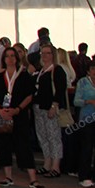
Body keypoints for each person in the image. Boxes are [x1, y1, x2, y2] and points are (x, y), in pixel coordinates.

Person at [0, 47, 41, 188]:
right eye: (7, 56)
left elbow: (30, 96)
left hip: (20, 116)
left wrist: (17, 110)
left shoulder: (24, 76)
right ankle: (8, 176)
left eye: (13, 56)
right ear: (4, 59)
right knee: (4, 145)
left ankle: (33, 179)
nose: (10, 59)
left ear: (17, 58)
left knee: (23, 145)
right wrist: (0, 111)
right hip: (4, 116)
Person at [32, 43, 67, 179]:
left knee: (54, 137)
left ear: (53, 55)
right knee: (43, 136)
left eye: (48, 53)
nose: (45, 56)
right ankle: (47, 163)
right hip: (38, 107)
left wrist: (54, 105)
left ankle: (56, 166)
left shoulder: (57, 70)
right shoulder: (40, 70)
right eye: (43, 53)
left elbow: (60, 90)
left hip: (50, 108)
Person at [73, 61, 95, 188]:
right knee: (87, 148)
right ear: (88, 71)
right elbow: (76, 101)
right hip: (86, 120)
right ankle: (84, 176)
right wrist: (88, 101)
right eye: (93, 69)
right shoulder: (82, 82)